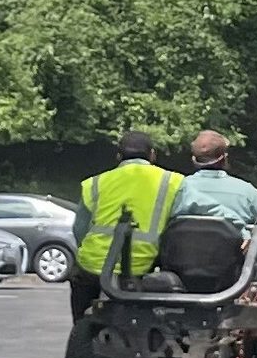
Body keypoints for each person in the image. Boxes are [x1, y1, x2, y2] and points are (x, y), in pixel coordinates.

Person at [69, 131, 185, 321]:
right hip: (142, 265)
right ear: (153, 155)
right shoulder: (173, 181)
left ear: (118, 156)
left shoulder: (95, 183)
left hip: (94, 264)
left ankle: (82, 328)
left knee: (81, 290)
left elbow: (79, 230)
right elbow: (177, 228)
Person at [172, 130, 257, 248]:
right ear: (224, 158)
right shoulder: (247, 192)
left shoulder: (176, 188)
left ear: (194, 160)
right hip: (233, 265)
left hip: (179, 263)